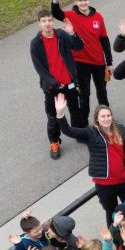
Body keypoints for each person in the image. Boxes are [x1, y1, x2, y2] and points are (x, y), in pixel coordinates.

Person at [56, 98, 125, 225]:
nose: (106, 118)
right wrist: (60, 113)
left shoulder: (120, 128)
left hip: (124, 180)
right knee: (112, 213)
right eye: (103, 116)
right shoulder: (90, 133)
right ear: (97, 119)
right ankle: (114, 238)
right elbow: (68, 131)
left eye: (108, 115)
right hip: (105, 185)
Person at [51, 0, 113, 124]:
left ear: (88, 0)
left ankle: (107, 119)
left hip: (98, 62)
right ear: (75, 2)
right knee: (84, 95)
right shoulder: (70, 15)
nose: (83, 2)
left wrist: (109, 62)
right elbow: (56, 13)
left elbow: (104, 40)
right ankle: (83, 124)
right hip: (81, 63)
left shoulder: (98, 17)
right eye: (80, 0)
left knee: (102, 92)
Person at [29, 11, 84, 159]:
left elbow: (78, 46)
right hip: (52, 88)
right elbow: (39, 68)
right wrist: (54, 83)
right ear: (39, 23)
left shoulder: (62, 35)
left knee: (76, 111)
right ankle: (54, 142)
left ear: (53, 22)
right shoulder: (35, 43)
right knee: (52, 117)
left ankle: (80, 134)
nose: (47, 23)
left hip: (70, 84)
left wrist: (72, 33)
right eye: (44, 21)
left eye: (49, 20)